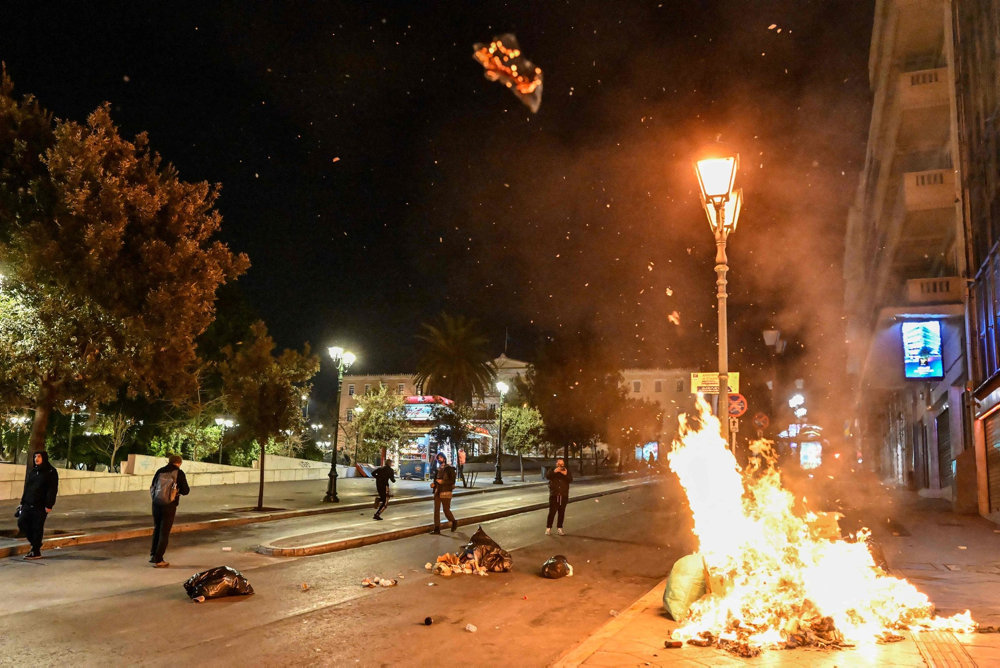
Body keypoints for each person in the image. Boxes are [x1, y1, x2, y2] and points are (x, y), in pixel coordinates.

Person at [149, 454, 190, 568]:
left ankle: (153, 555)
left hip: (156, 504)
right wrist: (177, 491)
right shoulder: (179, 473)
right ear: (179, 463)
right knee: (164, 532)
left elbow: (153, 486)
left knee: (157, 529)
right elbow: (186, 490)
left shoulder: (160, 471)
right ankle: (159, 559)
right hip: (169, 505)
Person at [18, 450, 59, 560]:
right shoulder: (33, 471)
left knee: (37, 527)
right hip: (28, 503)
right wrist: (22, 503)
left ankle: (35, 551)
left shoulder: (51, 472)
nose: (37, 459)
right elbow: (27, 488)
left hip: (41, 505)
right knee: (21, 522)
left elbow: (52, 490)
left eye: (39, 456)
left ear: (44, 458)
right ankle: (36, 544)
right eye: (35, 456)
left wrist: (49, 505)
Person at [430, 452, 457, 534]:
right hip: (438, 491)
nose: (439, 459)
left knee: (446, 510)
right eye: (438, 458)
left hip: (446, 491)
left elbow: (452, 481)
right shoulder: (438, 469)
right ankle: (437, 528)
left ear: (444, 458)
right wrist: (433, 485)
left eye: (440, 458)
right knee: (436, 510)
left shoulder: (449, 469)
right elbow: (436, 480)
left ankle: (453, 521)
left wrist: (443, 482)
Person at [545, 457, 573, 536]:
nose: (561, 466)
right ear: (556, 464)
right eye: (559, 464)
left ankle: (559, 528)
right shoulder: (552, 470)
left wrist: (565, 474)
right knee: (552, 512)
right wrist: (554, 471)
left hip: (563, 495)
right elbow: (547, 476)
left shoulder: (566, 471)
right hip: (554, 494)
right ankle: (548, 528)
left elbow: (570, 480)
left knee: (561, 512)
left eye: (562, 464)